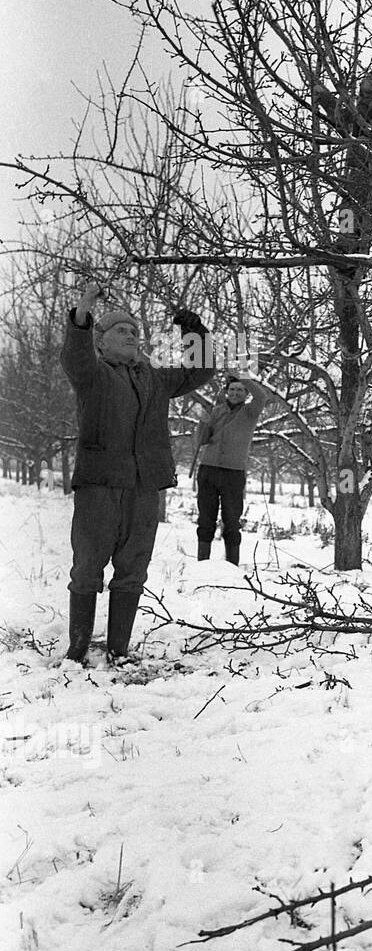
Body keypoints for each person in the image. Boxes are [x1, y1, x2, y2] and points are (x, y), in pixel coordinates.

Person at [61, 279, 214, 663]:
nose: (130, 335)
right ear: (102, 341)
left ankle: (118, 650)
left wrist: (194, 330)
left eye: (134, 331)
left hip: (145, 487)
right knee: (87, 567)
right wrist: (82, 314)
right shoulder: (93, 375)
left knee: (133, 569)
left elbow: (200, 370)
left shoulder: (154, 378)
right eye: (120, 330)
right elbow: (74, 356)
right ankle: (77, 649)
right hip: (100, 485)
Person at [191, 372, 273, 565]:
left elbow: (262, 395)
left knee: (231, 522)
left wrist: (241, 375)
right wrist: (202, 421)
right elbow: (201, 442)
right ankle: (202, 564)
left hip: (233, 474)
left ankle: (231, 567)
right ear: (227, 392)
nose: (235, 393)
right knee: (205, 520)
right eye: (232, 389)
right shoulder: (216, 410)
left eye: (240, 390)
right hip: (208, 470)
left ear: (246, 393)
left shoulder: (251, 411)